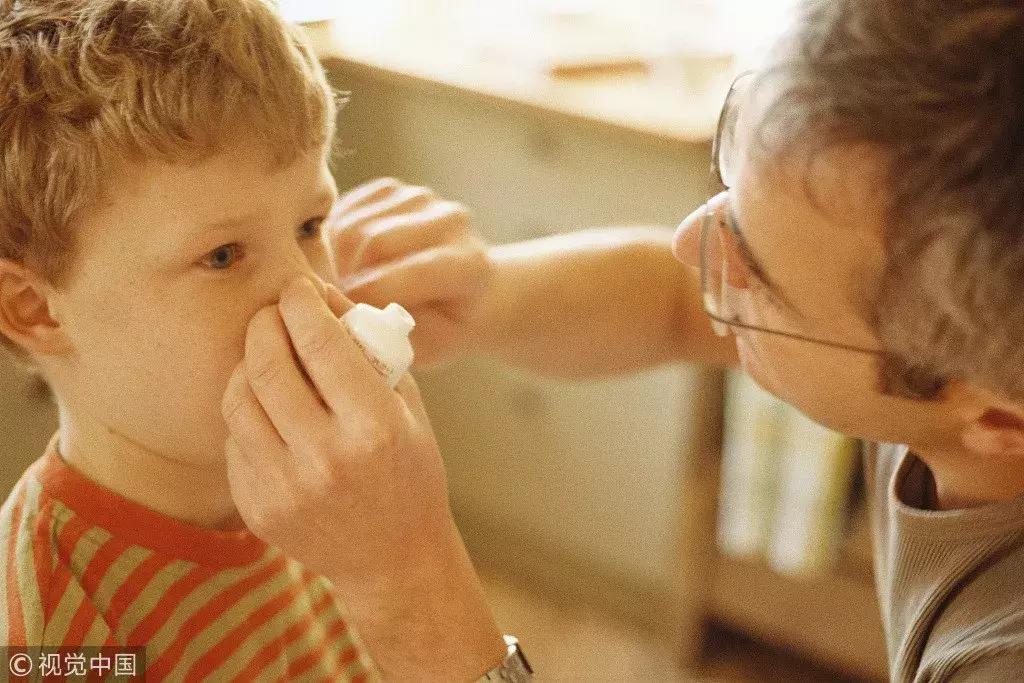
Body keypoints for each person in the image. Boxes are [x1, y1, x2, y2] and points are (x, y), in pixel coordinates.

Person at [302, 0, 1024, 680]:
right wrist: (487, 294)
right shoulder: (952, 340)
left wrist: (402, 578)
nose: (690, 240)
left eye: (762, 278)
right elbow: (677, 302)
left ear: (996, 417)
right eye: (732, 188)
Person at [0, 0, 503, 680]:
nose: (315, 295)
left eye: (309, 225)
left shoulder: (331, 490)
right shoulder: (58, 638)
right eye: (223, 255)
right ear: (35, 307)